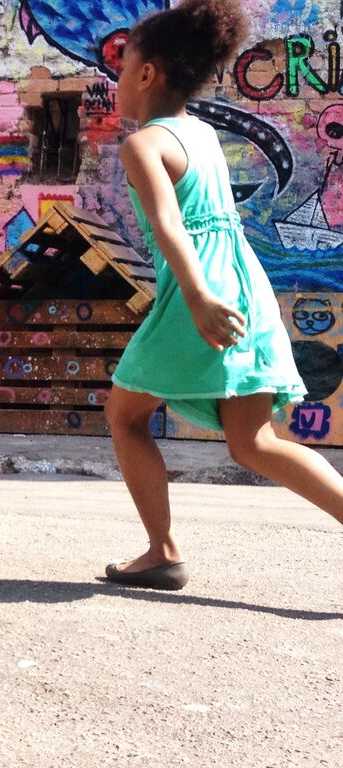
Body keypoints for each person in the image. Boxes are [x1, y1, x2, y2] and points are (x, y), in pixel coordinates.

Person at [104, 0, 343, 590]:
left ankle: (162, 551)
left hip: (201, 293)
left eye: (123, 66)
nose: (117, 80)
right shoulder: (204, 135)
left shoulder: (143, 145)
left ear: (146, 73)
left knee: (125, 417)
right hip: (246, 287)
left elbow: (170, 227)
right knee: (254, 443)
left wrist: (196, 298)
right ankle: (160, 552)